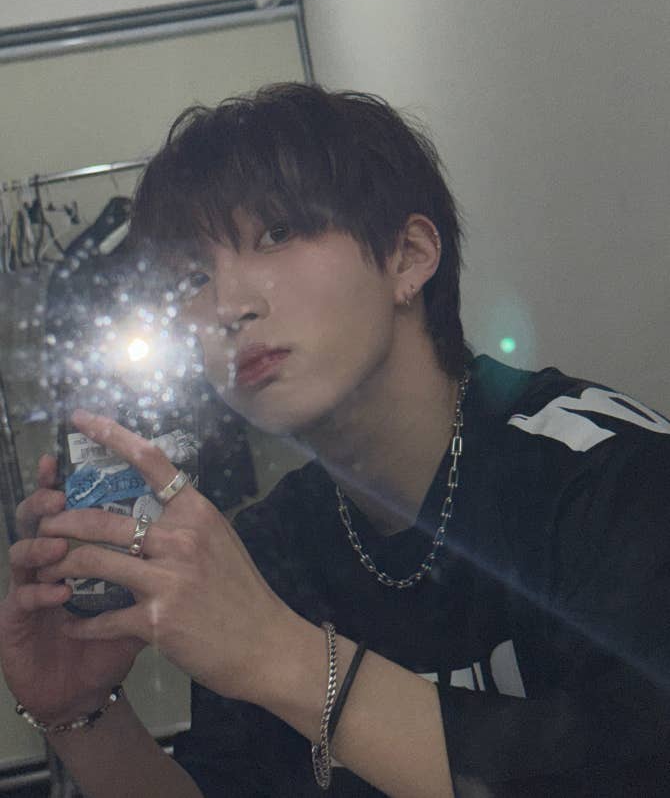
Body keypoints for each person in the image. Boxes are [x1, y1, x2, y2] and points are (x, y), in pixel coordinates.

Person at [1, 82, 669, 798]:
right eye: (194, 276)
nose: (228, 306)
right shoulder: (268, 547)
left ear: (408, 256)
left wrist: (273, 650)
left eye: (277, 233)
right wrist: (81, 712)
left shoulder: (609, 477)